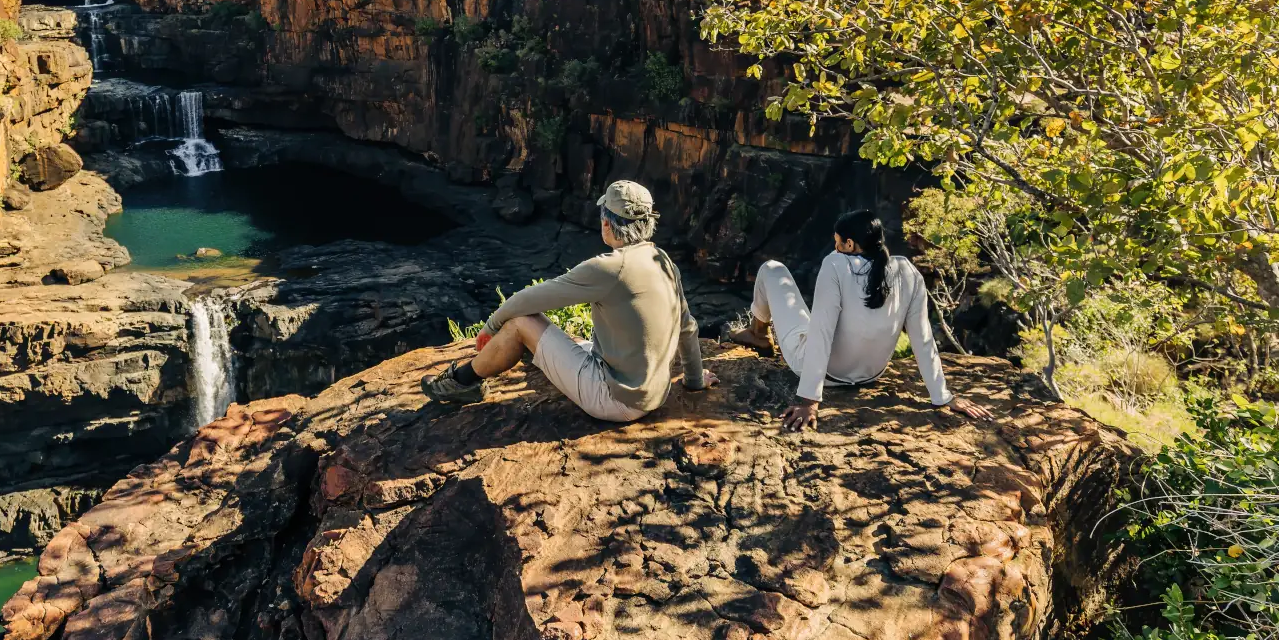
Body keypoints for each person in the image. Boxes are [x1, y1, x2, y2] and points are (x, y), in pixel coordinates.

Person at [423, 180, 718, 420]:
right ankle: (501, 361)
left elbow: (528, 300)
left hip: (615, 400)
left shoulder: (610, 268)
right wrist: (694, 381)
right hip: (654, 394)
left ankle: (461, 383)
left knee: (521, 323)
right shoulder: (663, 260)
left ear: (607, 223)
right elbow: (687, 327)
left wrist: (490, 326)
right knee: (572, 341)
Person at [726, 209, 993, 432]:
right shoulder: (907, 271)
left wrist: (809, 402)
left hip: (826, 373)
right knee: (812, 320)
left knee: (772, 269)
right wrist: (942, 397)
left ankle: (758, 334)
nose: (835, 247)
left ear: (850, 245)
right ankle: (758, 334)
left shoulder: (835, 264)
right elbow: (922, 338)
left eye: (838, 242)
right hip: (871, 373)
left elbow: (821, 333)